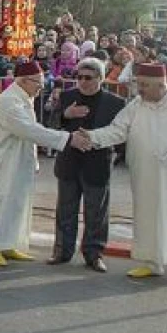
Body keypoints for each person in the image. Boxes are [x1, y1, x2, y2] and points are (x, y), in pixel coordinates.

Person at [79, 63, 167, 286]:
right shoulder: (136, 106)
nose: (140, 90)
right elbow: (117, 130)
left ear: (161, 85)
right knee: (148, 216)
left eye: (145, 85)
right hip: (146, 174)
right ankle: (152, 263)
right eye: (139, 84)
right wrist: (92, 136)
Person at [0, 61, 87, 267]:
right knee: (0, 203)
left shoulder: (23, 98)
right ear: (22, 81)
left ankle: (8, 243)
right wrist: (67, 139)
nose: (41, 88)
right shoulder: (8, 102)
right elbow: (30, 130)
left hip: (20, 160)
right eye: (37, 83)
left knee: (17, 203)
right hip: (4, 162)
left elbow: (32, 131)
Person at [48, 57, 125, 272]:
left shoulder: (116, 103)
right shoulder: (67, 97)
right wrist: (65, 114)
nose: (82, 81)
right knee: (65, 209)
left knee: (96, 212)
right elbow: (50, 126)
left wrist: (97, 141)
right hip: (69, 162)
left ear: (100, 78)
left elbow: (121, 134)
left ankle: (94, 254)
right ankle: (62, 250)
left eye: (88, 78)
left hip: (97, 163)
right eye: (79, 77)